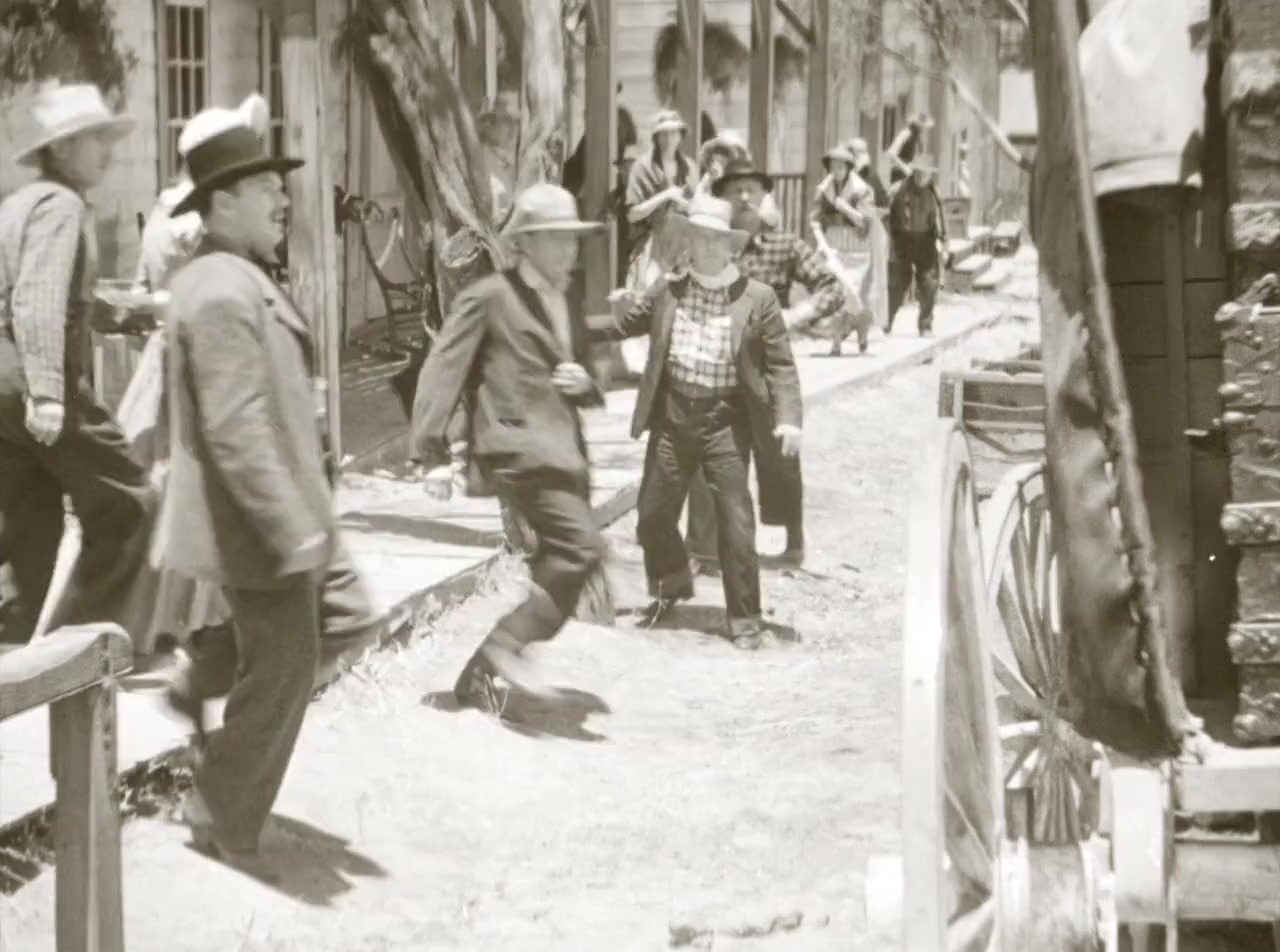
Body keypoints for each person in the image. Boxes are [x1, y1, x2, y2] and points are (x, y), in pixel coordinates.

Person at [152, 106, 333, 876]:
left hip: (269, 513)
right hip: (252, 521)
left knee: (304, 639)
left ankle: (200, 674)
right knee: (289, 662)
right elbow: (236, 427)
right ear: (223, 202)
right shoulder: (222, 288)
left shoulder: (236, 273)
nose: (283, 201)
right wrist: (289, 523)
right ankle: (222, 815)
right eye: (267, 189)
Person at [410, 184, 608, 712]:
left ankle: (479, 676)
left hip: (564, 452)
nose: (568, 250)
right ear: (525, 243)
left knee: (569, 566)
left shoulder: (568, 296)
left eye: (573, 239)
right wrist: (431, 454)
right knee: (581, 549)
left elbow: (588, 372)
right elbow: (443, 366)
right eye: (556, 239)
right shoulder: (489, 297)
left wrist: (585, 382)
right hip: (517, 448)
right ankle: (505, 645)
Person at [596, 194, 802, 648]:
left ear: (731, 247)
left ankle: (745, 620)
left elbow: (781, 366)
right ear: (687, 241)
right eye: (699, 238)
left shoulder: (758, 298)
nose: (707, 247)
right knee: (652, 512)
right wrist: (589, 320)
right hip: (673, 418)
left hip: (725, 421)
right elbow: (625, 325)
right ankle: (671, 583)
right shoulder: (668, 290)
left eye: (716, 240)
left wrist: (789, 419)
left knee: (735, 519)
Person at [0, 83, 153, 645]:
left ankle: (23, 642)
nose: (107, 152)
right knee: (130, 500)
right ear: (61, 148)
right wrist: (46, 392)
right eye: (95, 139)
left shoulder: (21, 203)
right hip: (34, 379)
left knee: (31, 515)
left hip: (5, 381)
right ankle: (92, 639)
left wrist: (126, 314)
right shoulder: (60, 207)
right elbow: (36, 298)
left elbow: (56, 294)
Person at [681, 158, 843, 571]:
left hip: (767, 367)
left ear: (764, 195)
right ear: (723, 198)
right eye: (735, 190)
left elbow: (832, 286)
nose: (744, 197)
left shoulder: (784, 244)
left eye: (752, 189)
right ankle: (706, 548)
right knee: (711, 453)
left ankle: (791, 540)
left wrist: (797, 316)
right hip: (715, 365)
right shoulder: (711, 244)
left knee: (779, 454)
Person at [808, 143, 877, 356]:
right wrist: (819, 239)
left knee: (855, 295)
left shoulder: (862, 190)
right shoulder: (824, 189)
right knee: (836, 293)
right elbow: (815, 217)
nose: (836, 171)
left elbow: (866, 222)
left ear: (848, 168)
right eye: (832, 167)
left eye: (840, 167)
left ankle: (862, 335)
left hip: (856, 245)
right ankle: (836, 342)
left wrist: (845, 208)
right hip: (833, 244)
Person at [624, 109, 694, 290]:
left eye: (673, 133)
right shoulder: (641, 167)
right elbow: (632, 214)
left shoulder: (689, 168)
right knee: (646, 294)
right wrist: (666, 195)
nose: (669, 139)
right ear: (655, 137)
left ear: (681, 135)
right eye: (663, 134)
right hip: (650, 247)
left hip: (683, 248)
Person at [887, 154, 948, 337]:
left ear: (931, 175)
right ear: (913, 172)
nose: (921, 178)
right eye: (919, 173)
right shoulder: (898, 190)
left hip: (926, 241)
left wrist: (944, 245)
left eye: (926, 174)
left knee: (929, 285)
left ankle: (925, 325)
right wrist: (888, 242)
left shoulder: (934, 193)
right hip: (902, 241)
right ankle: (886, 322)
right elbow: (885, 215)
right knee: (897, 284)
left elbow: (942, 220)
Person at [885, 111, 934, 186]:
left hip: (910, 176)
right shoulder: (905, 133)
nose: (922, 129)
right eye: (920, 126)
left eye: (923, 127)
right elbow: (891, 153)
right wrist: (904, 167)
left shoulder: (918, 139)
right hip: (898, 173)